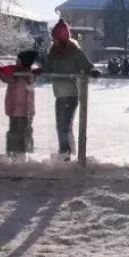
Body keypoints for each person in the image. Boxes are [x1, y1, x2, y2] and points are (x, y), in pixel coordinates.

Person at [44, 19, 101, 160]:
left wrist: (93, 71)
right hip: (59, 94)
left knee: (64, 127)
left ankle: (65, 155)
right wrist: (39, 70)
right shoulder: (53, 51)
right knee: (62, 126)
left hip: (71, 94)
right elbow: (48, 67)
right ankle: (66, 153)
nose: (53, 40)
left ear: (61, 38)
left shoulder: (74, 51)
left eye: (55, 37)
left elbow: (87, 66)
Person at [0, 51, 39, 156]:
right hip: (13, 110)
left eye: (19, 60)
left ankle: (23, 153)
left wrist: (30, 112)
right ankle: (11, 153)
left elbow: (30, 97)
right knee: (12, 133)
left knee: (23, 134)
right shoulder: (14, 72)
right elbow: (5, 77)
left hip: (24, 112)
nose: (16, 62)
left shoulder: (29, 76)